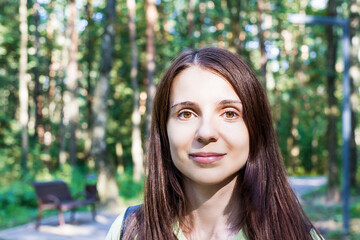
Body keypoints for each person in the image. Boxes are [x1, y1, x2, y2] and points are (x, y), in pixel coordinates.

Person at [106, 47, 323, 240]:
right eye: (186, 114)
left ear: (255, 129)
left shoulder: (300, 236)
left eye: (229, 113)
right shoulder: (128, 231)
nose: (206, 132)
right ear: (164, 131)